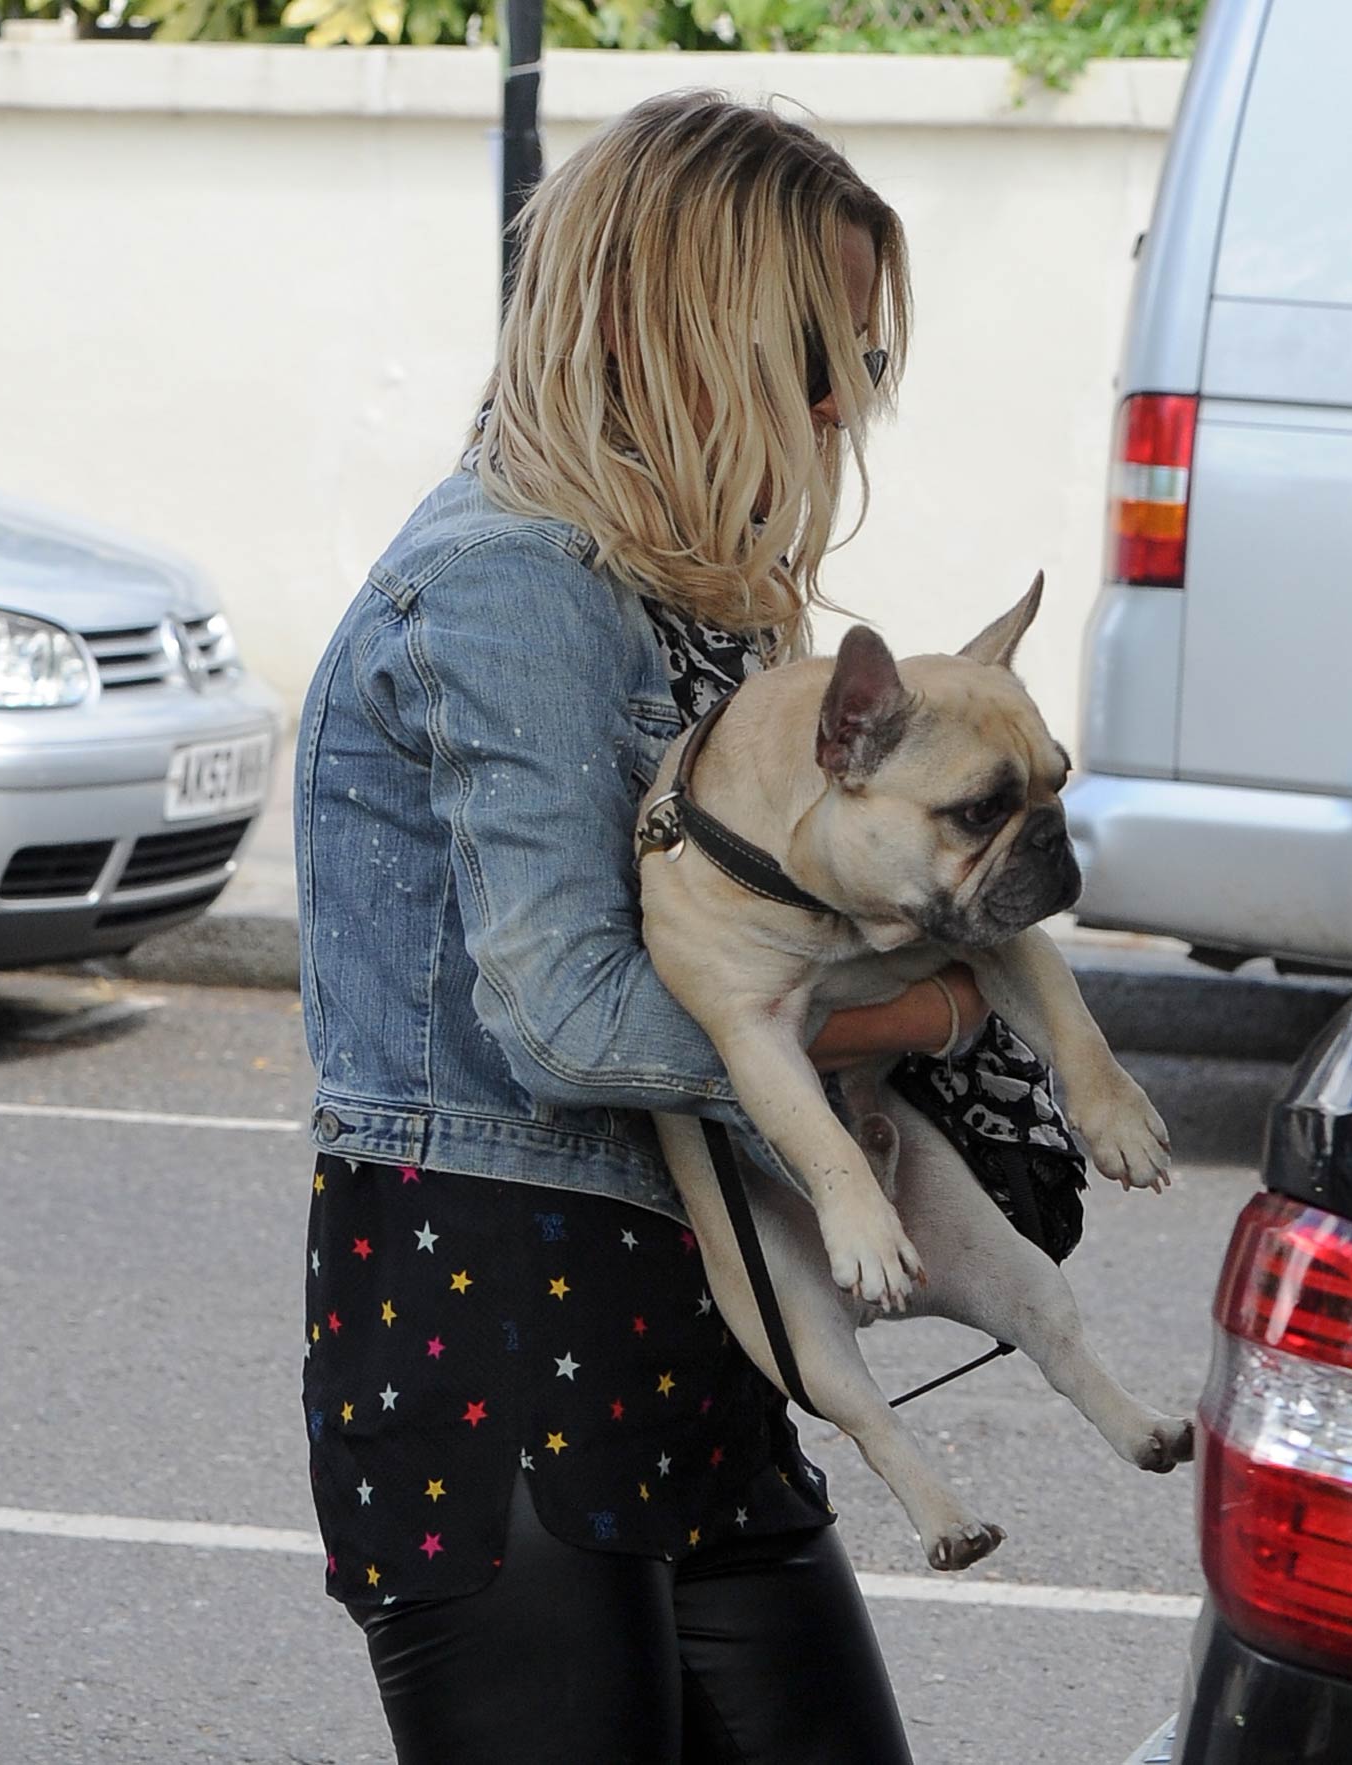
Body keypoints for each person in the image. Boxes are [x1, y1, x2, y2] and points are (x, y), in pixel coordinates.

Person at [296, 89, 1077, 1764]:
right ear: (683, 330)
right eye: (823, 354)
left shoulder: (673, 589)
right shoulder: (512, 582)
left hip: (683, 1330)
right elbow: (571, 1014)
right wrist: (931, 1019)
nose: (842, 406)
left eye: (865, 364)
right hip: (499, 1341)